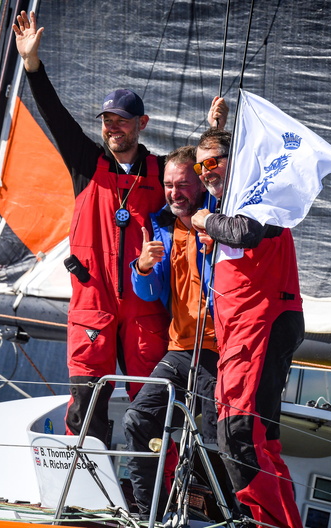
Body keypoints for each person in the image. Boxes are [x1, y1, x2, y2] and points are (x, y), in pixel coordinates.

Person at [12, 11, 228, 443]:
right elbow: (55, 117)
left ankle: (150, 493)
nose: (112, 127)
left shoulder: (159, 171)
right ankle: (86, 497)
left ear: (140, 125)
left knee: (153, 410)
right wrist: (32, 66)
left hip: (145, 309)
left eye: (121, 120)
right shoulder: (86, 163)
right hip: (93, 304)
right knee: (86, 408)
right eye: (107, 121)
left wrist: (214, 132)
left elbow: (196, 179)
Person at [190, 128, 305, 528]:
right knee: (262, 443)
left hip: (260, 330)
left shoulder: (262, 197)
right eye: (198, 165)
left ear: (237, 160)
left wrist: (205, 218)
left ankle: (267, 522)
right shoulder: (237, 203)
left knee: (239, 437)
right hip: (243, 338)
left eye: (214, 162)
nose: (205, 172)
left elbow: (245, 232)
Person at [121, 145, 219, 518]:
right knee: (138, 419)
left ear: (201, 184)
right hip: (180, 349)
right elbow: (148, 291)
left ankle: (224, 517)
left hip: (218, 351)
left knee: (211, 439)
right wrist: (142, 268)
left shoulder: (218, 217)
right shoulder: (160, 224)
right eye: (168, 184)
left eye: (183, 184)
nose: (175, 193)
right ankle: (148, 515)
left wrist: (218, 126)